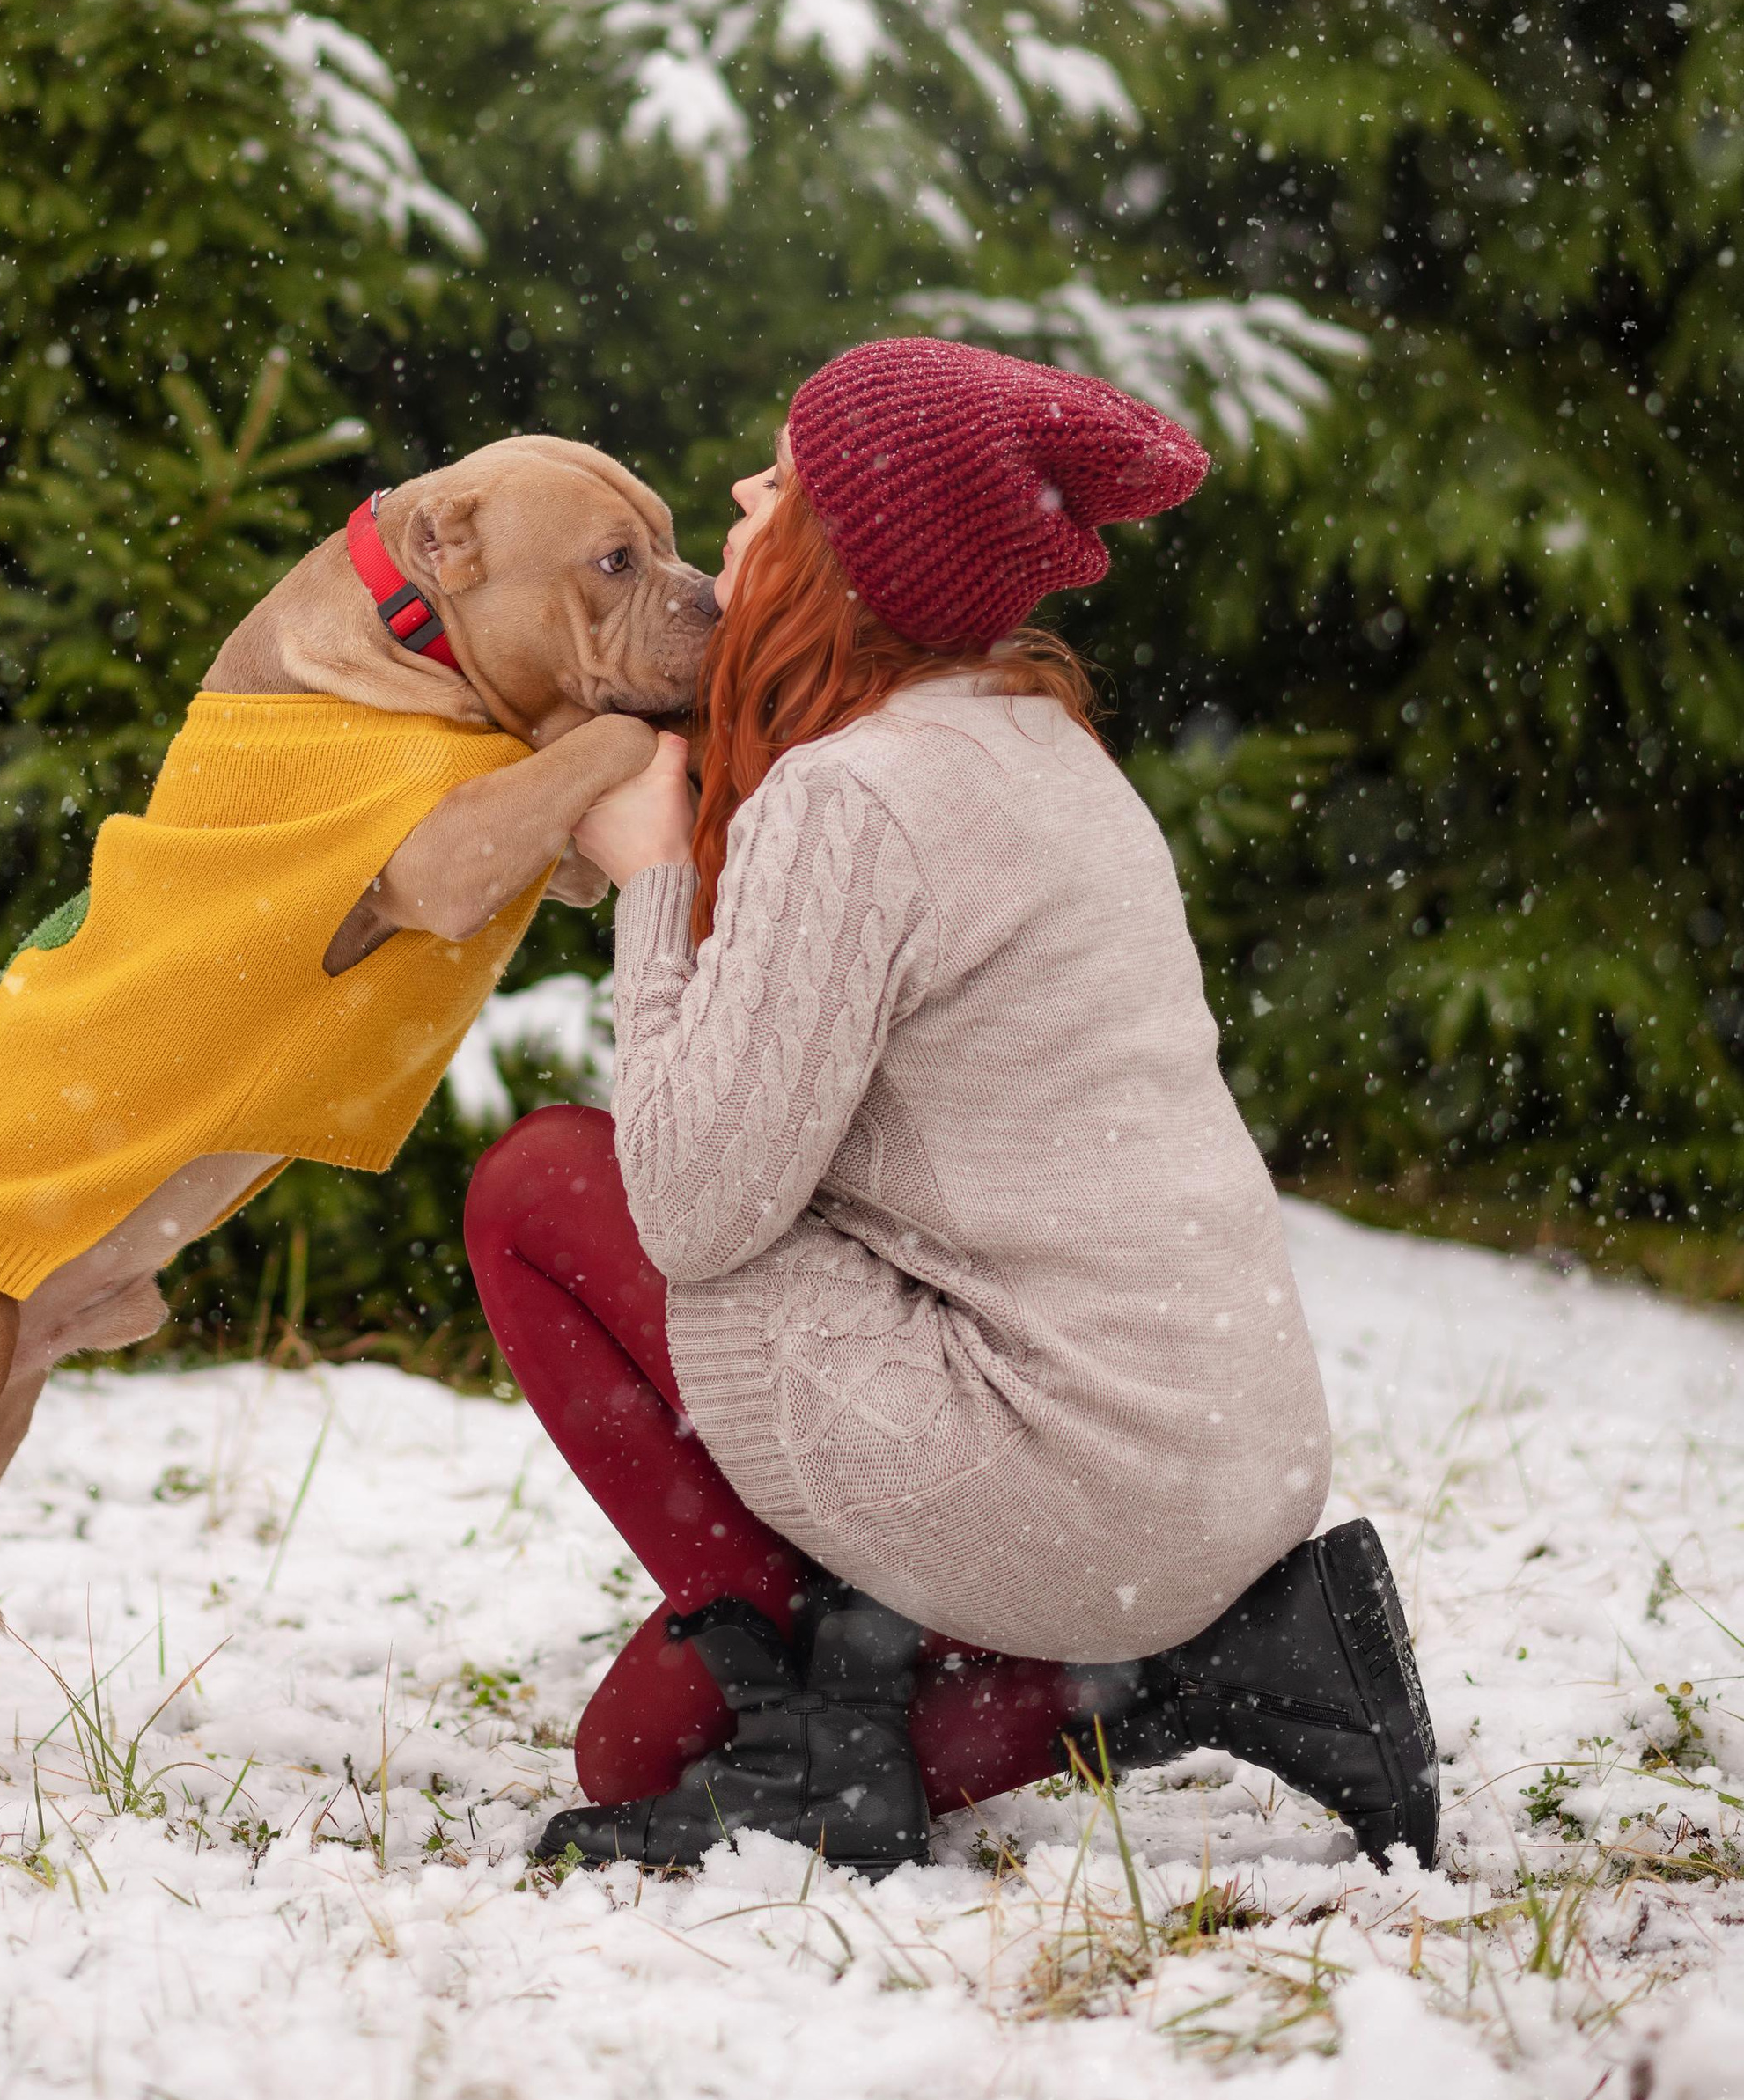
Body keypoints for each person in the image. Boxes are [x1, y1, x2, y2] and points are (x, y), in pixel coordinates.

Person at [462, 338, 1439, 1873]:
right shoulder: (1038, 749)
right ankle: (1242, 1657)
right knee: (636, 1747)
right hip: (1206, 1460)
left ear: (842, 560)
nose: (737, 490)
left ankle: (888, 1713)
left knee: (538, 1189)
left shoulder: (857, 798)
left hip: (1067, 1465)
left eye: (777, 480)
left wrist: (651, 878)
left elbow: (698, 1206)